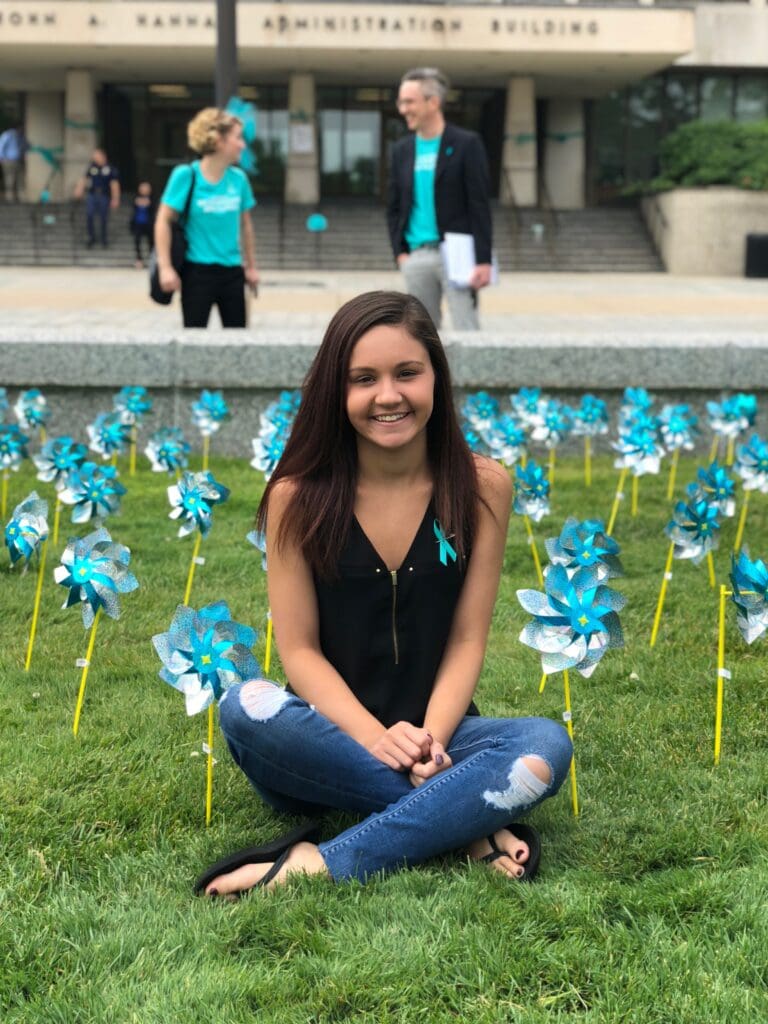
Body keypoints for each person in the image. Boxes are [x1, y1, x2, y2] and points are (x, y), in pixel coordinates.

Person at [196, 290, 572, 897]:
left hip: (440, 737)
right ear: (335, 391)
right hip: (325, 739)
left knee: (545, 745)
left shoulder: (484, 486)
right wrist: (376, 738)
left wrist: (434, 743)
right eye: (363, 378)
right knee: (246, 704)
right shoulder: (298, 495)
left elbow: (467, 637)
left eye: (407, 373)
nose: (388, 395)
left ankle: (314, 865)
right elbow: (299, 652)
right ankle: (463, 820)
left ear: (436, 379)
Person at [386, 68, 493, 332]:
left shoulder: (467, 144)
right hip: (416, 254)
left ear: (433, 102)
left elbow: (479, 204)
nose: (402, 109)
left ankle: (468, 376)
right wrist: (399, 252)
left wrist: (483, 259)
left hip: (457, 253)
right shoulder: (402, 150)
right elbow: (394, 206)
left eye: (409, 101)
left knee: (466, 328)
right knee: (423, 337)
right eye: (401, 102)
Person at [154, 107, 259, 328]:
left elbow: (246, 225)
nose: (242, 144)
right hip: (196, 272)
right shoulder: (186, 175)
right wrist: (165, 267)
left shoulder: (239, 179)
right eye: (238, 138)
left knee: (238, 342)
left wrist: (250, 266)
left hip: (232, 272)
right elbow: (163, 221)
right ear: (218, 139)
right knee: (194, 340)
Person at [73, 148, 121, 247]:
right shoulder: (92, 167)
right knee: (89, 215)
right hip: (92, 194)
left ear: (103, 156)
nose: (95, 158)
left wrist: (115, 199)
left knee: (103, 217)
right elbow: (84, 179)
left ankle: (104, 239)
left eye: (96, 156)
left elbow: (114, 185)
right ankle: (91, 237)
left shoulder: (110, 169)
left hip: (104, 195)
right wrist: (79, 189)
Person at [129, 181, 155, 268]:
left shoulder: (153, 199)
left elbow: (154, 210)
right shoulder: (136, 198)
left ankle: (152, 260)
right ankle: (139, 260)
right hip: (138, 223)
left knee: (151, 242)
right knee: (137, 241)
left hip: (149, 224)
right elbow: (133, 210)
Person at [0, 123, 28, 202]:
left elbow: (26, 146)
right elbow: (1, 146)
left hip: (18, 160)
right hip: (8, 160)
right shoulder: (7, 135)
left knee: (20, 179)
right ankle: (10, 197)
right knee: (10, 179)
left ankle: (21, 197)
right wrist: (1, 158)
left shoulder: (21, 136)